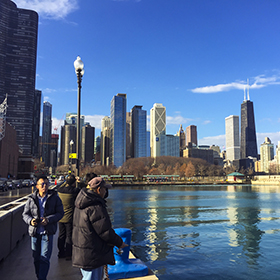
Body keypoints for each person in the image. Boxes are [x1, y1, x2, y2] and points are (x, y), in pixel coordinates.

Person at [72, 176, 128, 280]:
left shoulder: (81, 202)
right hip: (93, 253)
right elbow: (105, 231)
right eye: (105, 189)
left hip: (82, 250)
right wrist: (120, 243)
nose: (106, 191)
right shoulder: (95, 206)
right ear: (99, 190)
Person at [22, 175, 64, 280]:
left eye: (46, 183)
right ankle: (39, 276)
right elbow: (25, 214)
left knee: (44, 258)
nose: (44, 186)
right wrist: (30, 221)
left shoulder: (55, 198)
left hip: (47, 232)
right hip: (34, 232)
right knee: (36, 258)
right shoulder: (31, 199)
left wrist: (49, 220)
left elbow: (60, 213)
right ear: (37, 186)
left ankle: (42, 278)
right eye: (42, 184)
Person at [57, 174, 80, 259]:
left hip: (60, 217)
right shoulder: (74, 191)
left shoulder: (60, 190)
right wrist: (78, 182)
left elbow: (60, 186)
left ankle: (61, 252)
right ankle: (68, 253)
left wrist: (66, 182)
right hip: (70, 217)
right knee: (69, 236)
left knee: (61, 235)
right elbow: (81, 191)